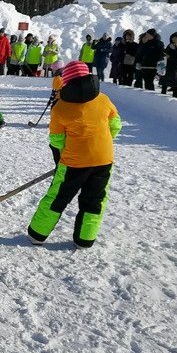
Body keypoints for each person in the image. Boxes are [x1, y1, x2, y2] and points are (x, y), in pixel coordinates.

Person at [27, 61, 122, 248]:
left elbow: (57, 140)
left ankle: (37, 234)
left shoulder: (61, 107)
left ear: (66, 82)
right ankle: (85, 240)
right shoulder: (103, 99)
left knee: (57, 197)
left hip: (73, 163)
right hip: (104, 159)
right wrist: (99, 142)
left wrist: (63, 158)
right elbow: (116, 125)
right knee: (95, 200)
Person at [161, 33, 177, 98]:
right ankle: (161, 101)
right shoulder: (169, 46)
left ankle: (174, 103)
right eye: (175, 38)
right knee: (164, 86)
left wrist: (170, 57)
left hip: (176, 70)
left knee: (175, 88)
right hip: (167, 69)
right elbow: (164, 54)